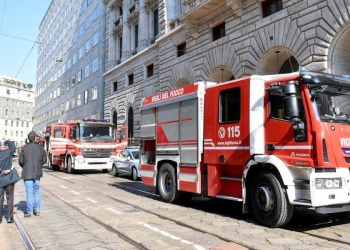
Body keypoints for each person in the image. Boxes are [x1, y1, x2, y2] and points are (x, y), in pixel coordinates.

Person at [19, 131, 47, 217]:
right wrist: (39, 165)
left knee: (29, 192)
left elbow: (21, 161)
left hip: (27, 173)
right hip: (37, 173)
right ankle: (37, 210)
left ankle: (29, 211)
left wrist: (25, 166)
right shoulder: (41, 148)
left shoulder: (24, 149)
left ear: (28, 139)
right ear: (35, 138)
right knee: (37, 191)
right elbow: (44, 159)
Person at [0, 137, 16, 223]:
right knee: (9, 198)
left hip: (1, 178)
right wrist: (8, 140)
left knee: (0, 199)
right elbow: (13, 147)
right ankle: (10, 218)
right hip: (9, 178)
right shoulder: (9, 152)